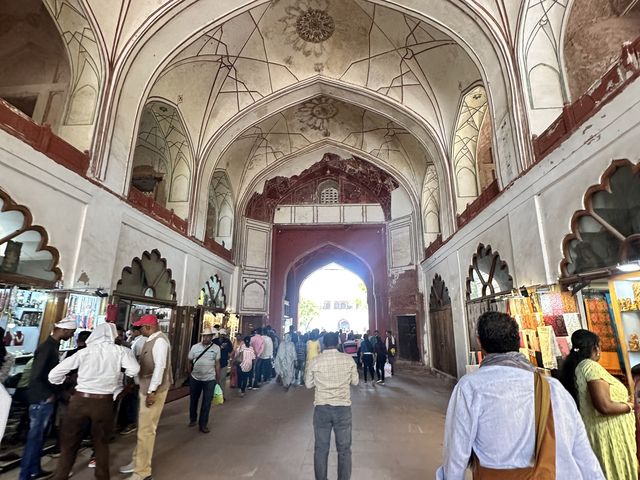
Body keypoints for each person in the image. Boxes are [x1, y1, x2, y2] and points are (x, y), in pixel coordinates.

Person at [437, 311, 604, 479]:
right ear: (518, 338)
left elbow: (456, 455)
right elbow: (584, 455)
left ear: (480, 342)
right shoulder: (553, 388)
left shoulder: (471, 388)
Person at [48, 323, 140, 480]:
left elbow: (54, 374)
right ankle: (102, 476)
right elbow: (134, 370)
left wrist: (64, 384)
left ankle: (61, 475)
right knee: (101, 443)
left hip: (79, 400)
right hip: (103, 402)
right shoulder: (120, 352)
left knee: (70, 442)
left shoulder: (84, 352)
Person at [559, 329, 637, 479]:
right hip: (608, 438)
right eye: (599, 346)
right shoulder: (590, 367)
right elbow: (604, 406)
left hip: (600, 434)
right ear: (594, 348)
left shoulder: (577, 367)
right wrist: (630, 405)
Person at [19, 319, 76, 480]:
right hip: (41, 399)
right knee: (34, 437)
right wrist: (47, 394)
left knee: (40, 437)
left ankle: (35, 469)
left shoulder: (52, 346)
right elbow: (37, 375)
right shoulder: (47, 348)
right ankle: (25, 475)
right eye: (71, 332)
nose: (71, 335)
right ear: (64, 330)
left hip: (45, 397)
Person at [121, 314, 173, 480]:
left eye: (141, 327)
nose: (138, 330)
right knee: (143, 428)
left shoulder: (159, 342)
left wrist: (152, 391)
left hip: (153, 390)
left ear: (149, 327)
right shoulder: (152, 339)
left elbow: (160, 368)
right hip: (147, 388)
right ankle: (138, 462)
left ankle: (142, 472)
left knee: (146, 431)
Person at [305, 332, 359, 480]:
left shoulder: (315, 361)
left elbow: (308, 384)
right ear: (337, 343)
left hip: (322, 408)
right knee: (344, 450)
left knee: (321, 449)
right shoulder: (348, 360)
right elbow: (355, 382)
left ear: (323, 344)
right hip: (343, 409)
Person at [187, 328, 220, 433]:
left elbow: (217, 364)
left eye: (208, 336)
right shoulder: (195, 347)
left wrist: (217, 379)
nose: (206, 338)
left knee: (206, 403)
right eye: (204, 336)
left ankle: (203, 424)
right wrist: (190, 375)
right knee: (194, 400)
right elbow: (189, 361)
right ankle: (193, 418)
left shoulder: (216, 348)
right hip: (195, 378)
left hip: (210, 379)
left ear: (211, 337)